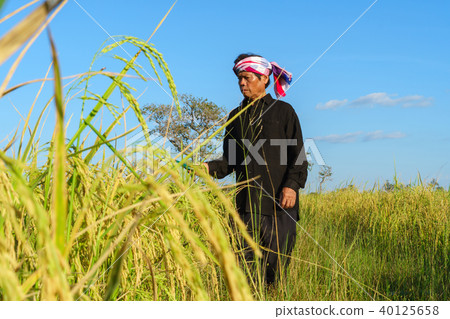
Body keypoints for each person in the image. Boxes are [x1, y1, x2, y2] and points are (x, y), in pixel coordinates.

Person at [203, 53, 308, 285]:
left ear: (264, 79)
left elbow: (298, 156)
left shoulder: (284, 112)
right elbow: (230, 160)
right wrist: (207, 167)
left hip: (279, 205)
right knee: (246, 269)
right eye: (240, 78)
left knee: (274, 270)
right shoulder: (235, 117)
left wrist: (291, 186)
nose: (242, 83)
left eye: (247, 78)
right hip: (245, 206)